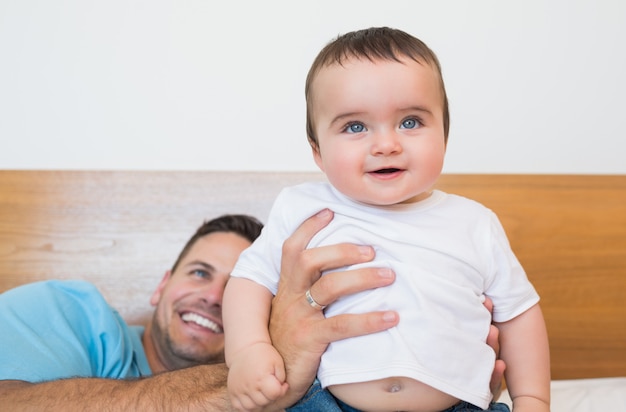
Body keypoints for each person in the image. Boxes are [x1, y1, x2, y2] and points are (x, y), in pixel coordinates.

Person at [223, 27, 550, 412]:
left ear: (444, 134)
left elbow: (520, 313)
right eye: (355, 127)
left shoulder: (474, 222)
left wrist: (532, 398)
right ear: (317, 152)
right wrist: (249, 350)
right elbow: (249, 280)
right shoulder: (302, 208)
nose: (386, 144)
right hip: (325, 401)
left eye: (410, 121)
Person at [0, 213, 404, 411]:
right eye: (199, 273)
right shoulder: (71, 311)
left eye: (236, 288)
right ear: (162, 286)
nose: (213, 296)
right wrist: (240, 387)